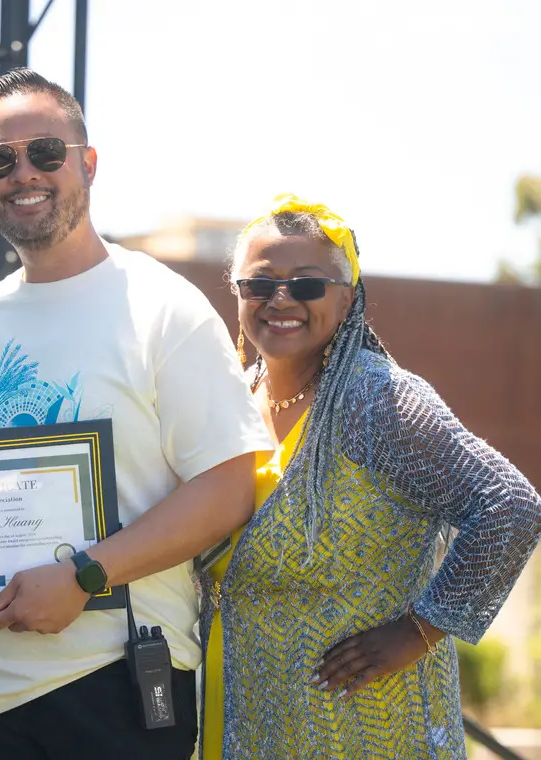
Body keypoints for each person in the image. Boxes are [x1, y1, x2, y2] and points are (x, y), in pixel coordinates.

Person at [0, 68, 272, 760]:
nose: (23, 171)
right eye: (1, 159)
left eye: (46, 152)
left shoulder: (162, 307)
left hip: (111, 687)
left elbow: (229, 487)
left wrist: (87, 576)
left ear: (87, 162)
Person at [208, 194, 541, 759]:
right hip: (246, 711)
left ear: (347, 300)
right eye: (260, 284)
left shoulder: (377, 399)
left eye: (308, 284)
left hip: (363, 726)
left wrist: (419, 632)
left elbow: (509, 505)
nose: (281, 299)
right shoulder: (231, 396)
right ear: (238, 293)